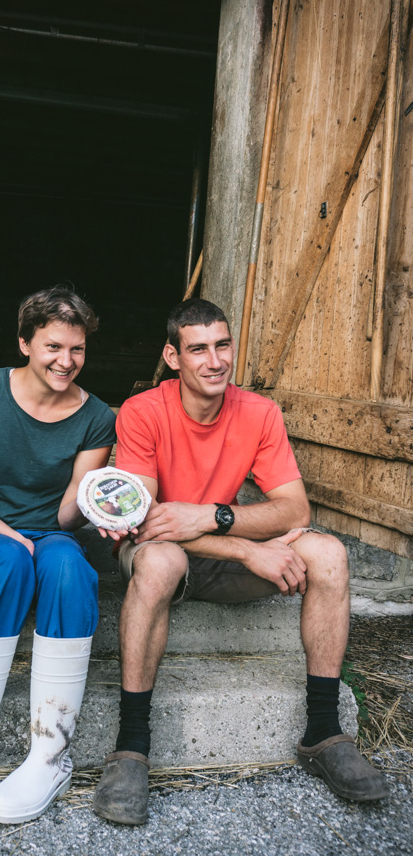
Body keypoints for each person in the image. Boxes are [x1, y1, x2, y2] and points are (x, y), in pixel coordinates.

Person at [93, 298, 389, 826]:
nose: (214, 361)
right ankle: (131, 746)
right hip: (165, 554)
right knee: (159, 562)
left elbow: (295, 510)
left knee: (328, 553)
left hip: (213, 544)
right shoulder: (142, 411)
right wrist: (248, 549)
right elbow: (146, 523)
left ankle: (324, 732)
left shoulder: (259, 412)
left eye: (222, 345)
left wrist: (213, 516)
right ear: (173, 357)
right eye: (198, 349)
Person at [0, 285, 116, 832]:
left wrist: (101, 503)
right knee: (11, 560)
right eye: (53, 346)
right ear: (25, 343)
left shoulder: (97, 416)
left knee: (67, 565)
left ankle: (49, 758)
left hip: (49, 539)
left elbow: (65, 515)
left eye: (77, 349)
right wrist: (12, 537)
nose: (66, 360)